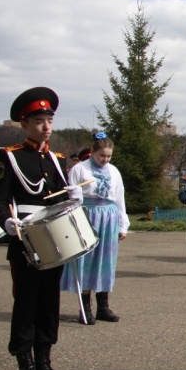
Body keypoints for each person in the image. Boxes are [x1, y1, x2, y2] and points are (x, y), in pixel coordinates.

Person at [0, 87, 84, 370]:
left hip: (53, 238)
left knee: (49, 304)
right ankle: (25, 366)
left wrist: (74, 199)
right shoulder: (11, 157)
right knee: (26, 303)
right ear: (24, 124)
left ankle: (45, 361)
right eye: (39, 120)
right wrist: (7, 220)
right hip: (25, 240)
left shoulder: (57, 160)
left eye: (49, 120)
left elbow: (62, 199)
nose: (46, 126)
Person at [60, 132, 129, 324]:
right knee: (87, 261)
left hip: (108, 217)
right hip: (87, 216)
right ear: (92, 152)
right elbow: (70, 198)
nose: (105, 159)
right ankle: (85, 308)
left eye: (108, 156)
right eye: (102, 156)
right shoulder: (79, 169)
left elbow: (119, 198)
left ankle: (103, 307)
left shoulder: (114, 171)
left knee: (105, 260)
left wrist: (123, 224)